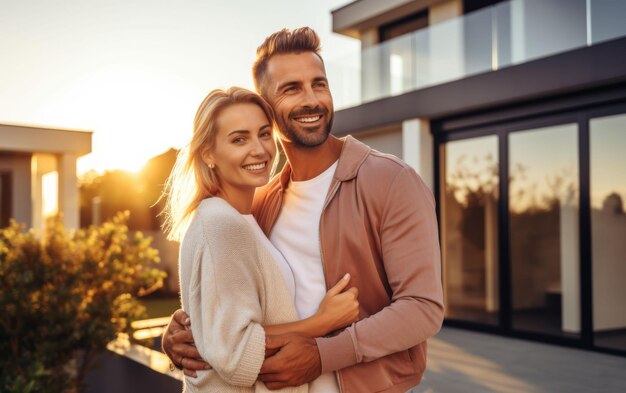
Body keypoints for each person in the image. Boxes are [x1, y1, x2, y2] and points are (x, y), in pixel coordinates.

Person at [163, 27, 444, 393]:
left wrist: (323, 354)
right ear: (266, 106)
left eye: (319, 84)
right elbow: (231, 295)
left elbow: (422, 307)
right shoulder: (260, 202)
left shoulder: (390, 180)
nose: (311, 100)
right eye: (291, 89)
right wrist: (183, 329)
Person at [162, 86, 359, 392]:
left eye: (264, 134)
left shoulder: (244, 217)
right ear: (208, 153)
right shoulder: (221, 224)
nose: (259, 149)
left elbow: (221, 327)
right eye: (239, 139)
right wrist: (323, 322)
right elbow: (239, 355)